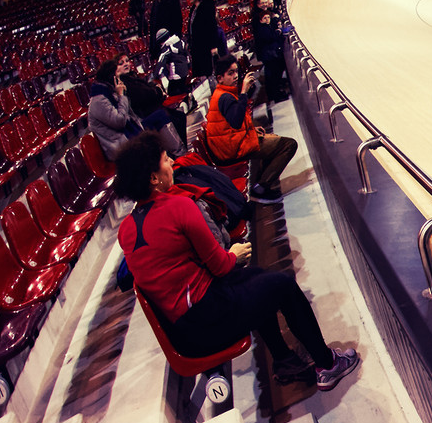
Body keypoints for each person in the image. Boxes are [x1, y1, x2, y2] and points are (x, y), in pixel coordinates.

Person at [116, 132, 360, 391]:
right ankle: (327, 365)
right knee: (283, 285)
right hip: (207, 322)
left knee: (257, 280)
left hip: (184, 330)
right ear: (154, 178)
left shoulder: (126, 229)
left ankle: (285, 361)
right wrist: (235, 254)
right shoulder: (180, 207)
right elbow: (221, 266)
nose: (172, 164)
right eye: (166, 160)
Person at [205, 52, 298, 199]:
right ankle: (261, 187)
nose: (236, 76)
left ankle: (261, 183)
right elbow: (235, 122)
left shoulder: (222, 93)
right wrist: (243, 92)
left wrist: (251, 129)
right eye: (230, 73)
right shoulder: (225, 97)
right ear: (220, 78)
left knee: (273, 140)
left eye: (236, 72)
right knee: (289, 144)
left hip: (232, 143)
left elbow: (229, 124)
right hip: (233, 148)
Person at [88, 59, 181, 160]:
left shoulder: (109, 92)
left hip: (127, 134)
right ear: (112, 78)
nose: (120, 81)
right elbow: (119, 121)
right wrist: (121, 96)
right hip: (119, 144)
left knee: (161, 116)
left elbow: (131, 116)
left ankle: (178, 155)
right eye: (118, 78)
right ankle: (174, 158)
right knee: (152, 132)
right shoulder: (99, 100)